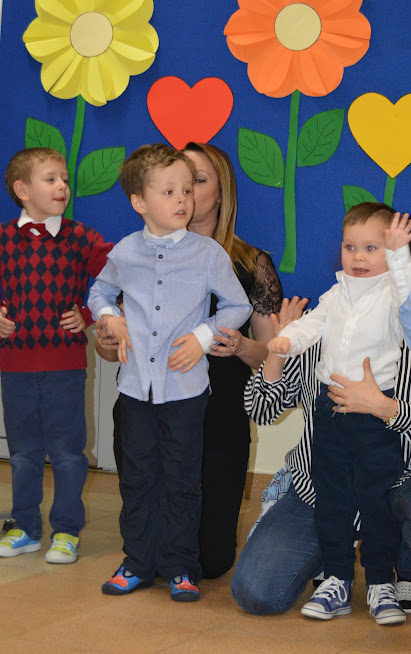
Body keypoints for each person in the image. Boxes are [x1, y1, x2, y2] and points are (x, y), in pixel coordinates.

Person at [96, 142, 285, 579]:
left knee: (210, 560)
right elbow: (112, 334)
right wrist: (108, 335)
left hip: (216, 416)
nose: (184, 195)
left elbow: (269, 358)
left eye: (195, 182)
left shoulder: (247, 263)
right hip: (146, 401)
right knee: (144, 497)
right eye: (172, 186)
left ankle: (177, 560)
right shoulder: (135, 252)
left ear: (221, 193)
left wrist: (235, 345)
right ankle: (140, 558)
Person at [263, 203, 411, 624]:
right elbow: (311, 324)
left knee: (377, 500)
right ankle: (336, 578)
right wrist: (288, 341)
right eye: (351, 247)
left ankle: (380, 582)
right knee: (331, 499)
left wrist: (398, 255)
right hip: (330, 411)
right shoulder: (334, 295)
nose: (358, 257)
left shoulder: (395, 294)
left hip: (375, 417)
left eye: (371, 247)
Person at [232, 299, 411, 619]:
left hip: (396, 486)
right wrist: (278, 351)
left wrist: (388, 409)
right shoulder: (316, 326)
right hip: (319, 487)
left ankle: (406, 569)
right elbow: (262, 410)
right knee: (255, 593)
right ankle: (332, 562)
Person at [0, 147, 112, 563]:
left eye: (64, 178)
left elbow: (120, 278)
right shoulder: (3, 239)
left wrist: (88, 314)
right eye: (51, 179)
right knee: (22, 454)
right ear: (22, 190)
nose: (62, 185)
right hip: (14, 368)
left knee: (67, 454)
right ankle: (25, 527)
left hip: (65, 367)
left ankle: (66, 530)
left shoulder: (82, 237)